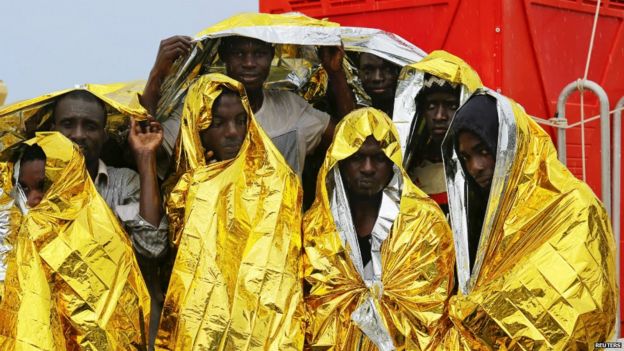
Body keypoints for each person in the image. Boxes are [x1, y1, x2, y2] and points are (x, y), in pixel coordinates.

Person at [437, 93, 618, 349]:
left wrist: (475, 313)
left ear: (512, 144)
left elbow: (582, 307)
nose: (475, 166)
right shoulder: (476, 212)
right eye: (466, 157)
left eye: (483, 150)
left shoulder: (573, 205)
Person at [156, 74, 304, 350]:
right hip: (200, 329)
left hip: (261, 327)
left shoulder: (277, 179)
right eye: (218, 123)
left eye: (240, 120)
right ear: (196, 127)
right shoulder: (188, 185)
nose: (233, 132)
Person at [303, 107, 454, 350]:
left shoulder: (424, 224)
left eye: (379, 158)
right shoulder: (317, 229)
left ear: (393, 162)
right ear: (338, 162)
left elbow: (430, 309)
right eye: (356, 158)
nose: (368, 168)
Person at [0, 132, 150, 350]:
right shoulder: (13, 244)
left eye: (44, 186)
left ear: (69, 182)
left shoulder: (107, 241)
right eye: (24, 188)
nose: (33, 199)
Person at [141, 32, 354, 177]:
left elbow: (351, 141)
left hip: (281, 238)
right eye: (239, 54)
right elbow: (145, 149)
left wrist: (334, 72)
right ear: (224, 57)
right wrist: (156, 75)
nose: (249, 63)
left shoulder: (290, 108)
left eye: (258, 54)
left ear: (271, 56)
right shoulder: (199, 108)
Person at [49, 89, 168, 348]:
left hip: (124, 333)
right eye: (68, 124)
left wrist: (146, 157)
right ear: (51, 129)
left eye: (90, 126)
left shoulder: (124, 184)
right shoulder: (33, 189)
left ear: (104, 135)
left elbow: (153, 248)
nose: (78, 134)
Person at [393, 51, 482, 215]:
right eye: (431, 106)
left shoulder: (480, 168)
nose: (440, 116)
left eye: (451, 106)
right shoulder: (408, 166)